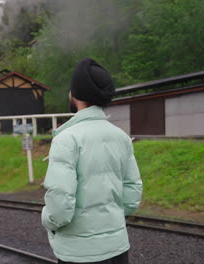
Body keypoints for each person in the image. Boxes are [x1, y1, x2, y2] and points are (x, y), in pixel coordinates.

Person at [41, 58, 143, 264]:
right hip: (118, 249)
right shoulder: (121, 136)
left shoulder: (66, 139)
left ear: (75, 94)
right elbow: (132, 195)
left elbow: (60, 206)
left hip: (80, 254)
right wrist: (108, 221)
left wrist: (48, 222)